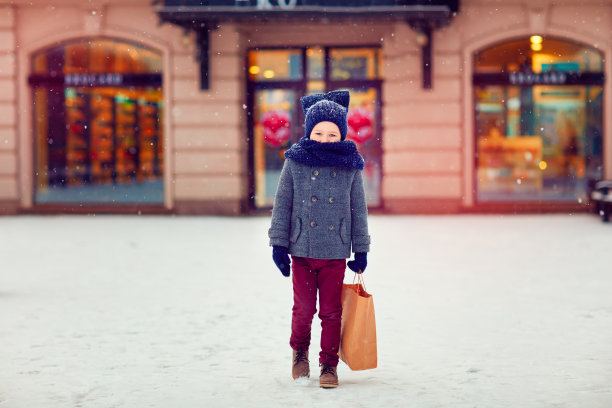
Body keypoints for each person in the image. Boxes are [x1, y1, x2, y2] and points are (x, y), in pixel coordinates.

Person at [268, 90, 371, 388]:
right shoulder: (296, 161)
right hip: (301, 250)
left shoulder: (350, 164)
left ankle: (329, 364)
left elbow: (358, 210)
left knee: (331, 312)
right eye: (318, 132)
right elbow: (283, 203)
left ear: (341, 135)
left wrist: (360, 249)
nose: (325, 139)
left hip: (335, 251)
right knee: (303, 309)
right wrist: (279, 244)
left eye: (331, 133)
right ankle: (300, 352)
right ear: (309, 132)